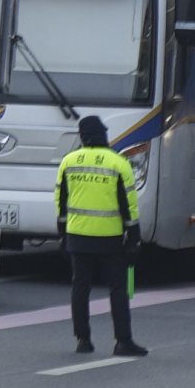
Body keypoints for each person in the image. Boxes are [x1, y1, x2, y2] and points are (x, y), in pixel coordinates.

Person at [55, 115, 147, 356]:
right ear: (103, 135)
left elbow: (61, 201)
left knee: (80, 287)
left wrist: (62, 234)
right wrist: (134, 235)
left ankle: (83, 340)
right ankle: (123, 341)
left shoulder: (68, 161)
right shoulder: (118, 163)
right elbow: (129, 203)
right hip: (110, 237)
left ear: (82, 137)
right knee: (118, 288)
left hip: (77, 235)